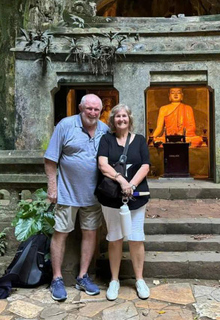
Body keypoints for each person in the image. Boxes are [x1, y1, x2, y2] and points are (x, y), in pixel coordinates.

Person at [44, 94, 109, 301]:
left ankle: (82, 276)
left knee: (90, 234)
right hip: (67, 192)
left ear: (101, 111)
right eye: (89, 108)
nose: (92, 113)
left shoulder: (104, 130)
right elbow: (50, 160)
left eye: (96, 110)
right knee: (60, 233)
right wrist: (52, 188)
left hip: (94, 195)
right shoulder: (65, 126)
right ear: (81, 108)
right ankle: (56, 278)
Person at [96, 103, 151, 301]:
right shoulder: (106, 140)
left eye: (124, 116)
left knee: (136, 237)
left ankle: (139, 279)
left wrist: (132, 185)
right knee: (115, 237)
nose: (121, 119)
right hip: (111, 198)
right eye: (117, 116)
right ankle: (114, 280)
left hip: (136, 197)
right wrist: (121, 180)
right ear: (113, 120)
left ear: (130, 119)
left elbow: (145, 166)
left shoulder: (140, 141)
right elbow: (102, 165)